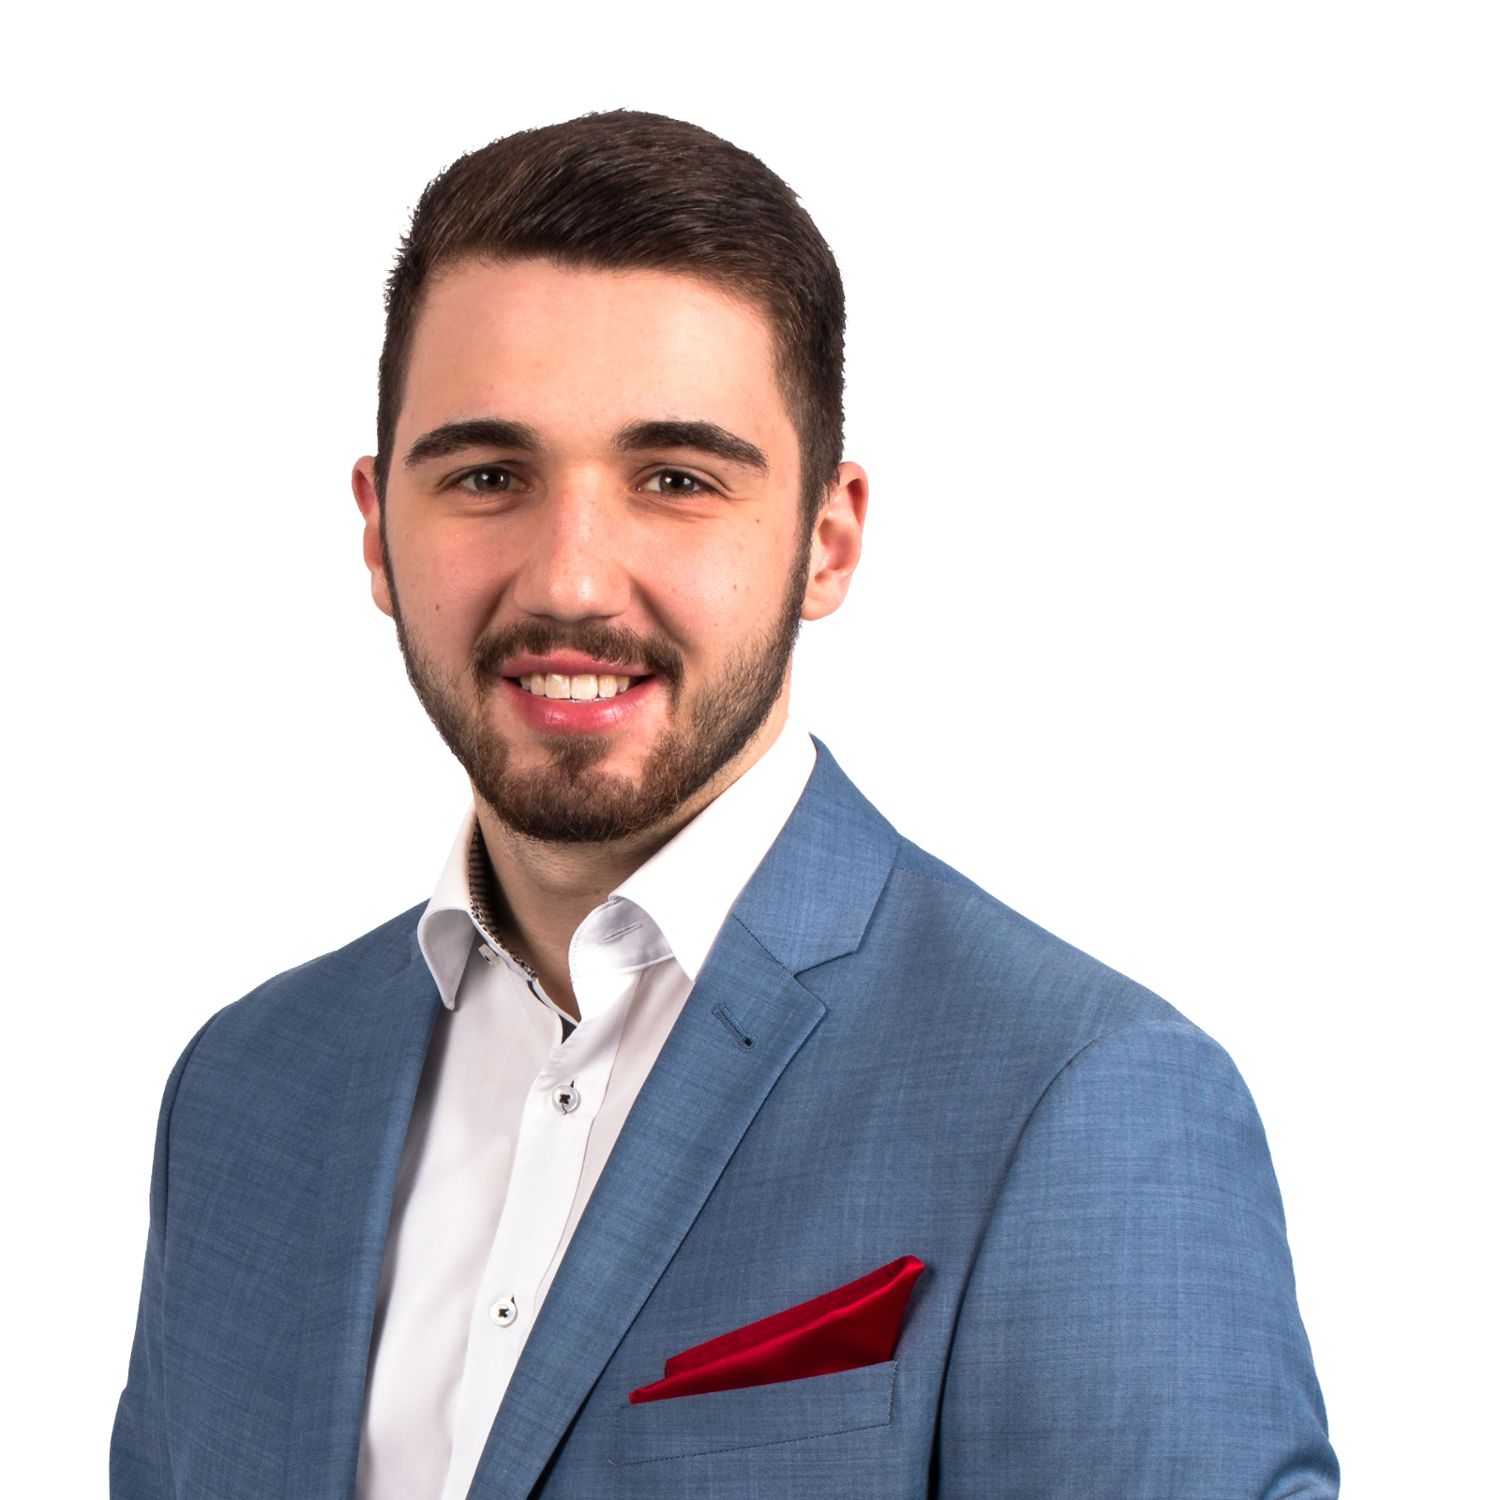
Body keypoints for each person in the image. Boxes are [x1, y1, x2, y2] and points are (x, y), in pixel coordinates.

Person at [110, 109, 1339, 1499]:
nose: (571, 581)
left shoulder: (1089, 1096)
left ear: (829, 541)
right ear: (377, 530)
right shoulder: (239, 1091)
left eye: (676, 480)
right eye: (489, 477)